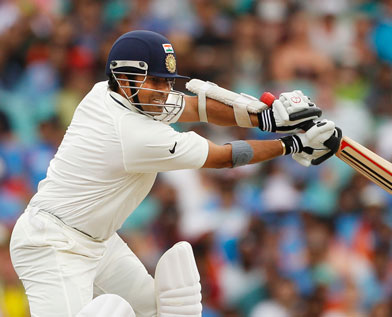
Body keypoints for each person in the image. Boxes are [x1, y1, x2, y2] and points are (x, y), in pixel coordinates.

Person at [9, 30, 341, 316]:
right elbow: (224, 158)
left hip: (99, 243)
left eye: (167, 81)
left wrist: (264, 120)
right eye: (155, 80)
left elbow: (197, 106)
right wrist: (291, 144)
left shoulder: (112, 93)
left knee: (157, 310)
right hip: (52, 244)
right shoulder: (133, 134)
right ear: (125, 78)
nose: (164, 90)